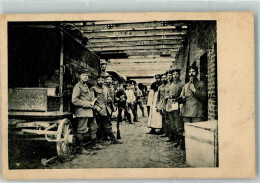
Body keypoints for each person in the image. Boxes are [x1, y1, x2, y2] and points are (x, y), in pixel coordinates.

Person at [71, 68, 100, 152]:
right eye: (84, 75)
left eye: (87, 75)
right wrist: (88, 104)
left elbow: (88, 98)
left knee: (93, 127)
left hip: (90, 111)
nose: (86, 77)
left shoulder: (86, 86)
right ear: (79, 76)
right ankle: (81, 148)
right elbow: (74, 100)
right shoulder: (77, 87)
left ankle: (94, 144)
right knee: (82, 130)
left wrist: (93, 101)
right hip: (82, 111)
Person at [90, 75, 122, 144]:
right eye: (99, 80)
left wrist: (109, 100)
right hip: (97, 110)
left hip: (106, 109)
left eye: (102, 80)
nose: (101, 81)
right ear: (96, 81)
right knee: (97, 125)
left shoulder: (105, 89)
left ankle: (112, 139)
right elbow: (91, 100)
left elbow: (109, 96)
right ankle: (98, 140)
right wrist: (96, 108)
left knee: (107, 124)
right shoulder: (93, 89)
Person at [165, 67, 184, 149]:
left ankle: (181, 142)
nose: (175, 76)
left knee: (178, 123)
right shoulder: (171, 84)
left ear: (179, 75)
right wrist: (169, 97)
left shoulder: (182, 84)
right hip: (170, 105)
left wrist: (177, 97)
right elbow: (168, 94)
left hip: (177, 105)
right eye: (173, 74)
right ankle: (176, 140)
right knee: (173, 124)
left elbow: (183, 95)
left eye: (177, 74)